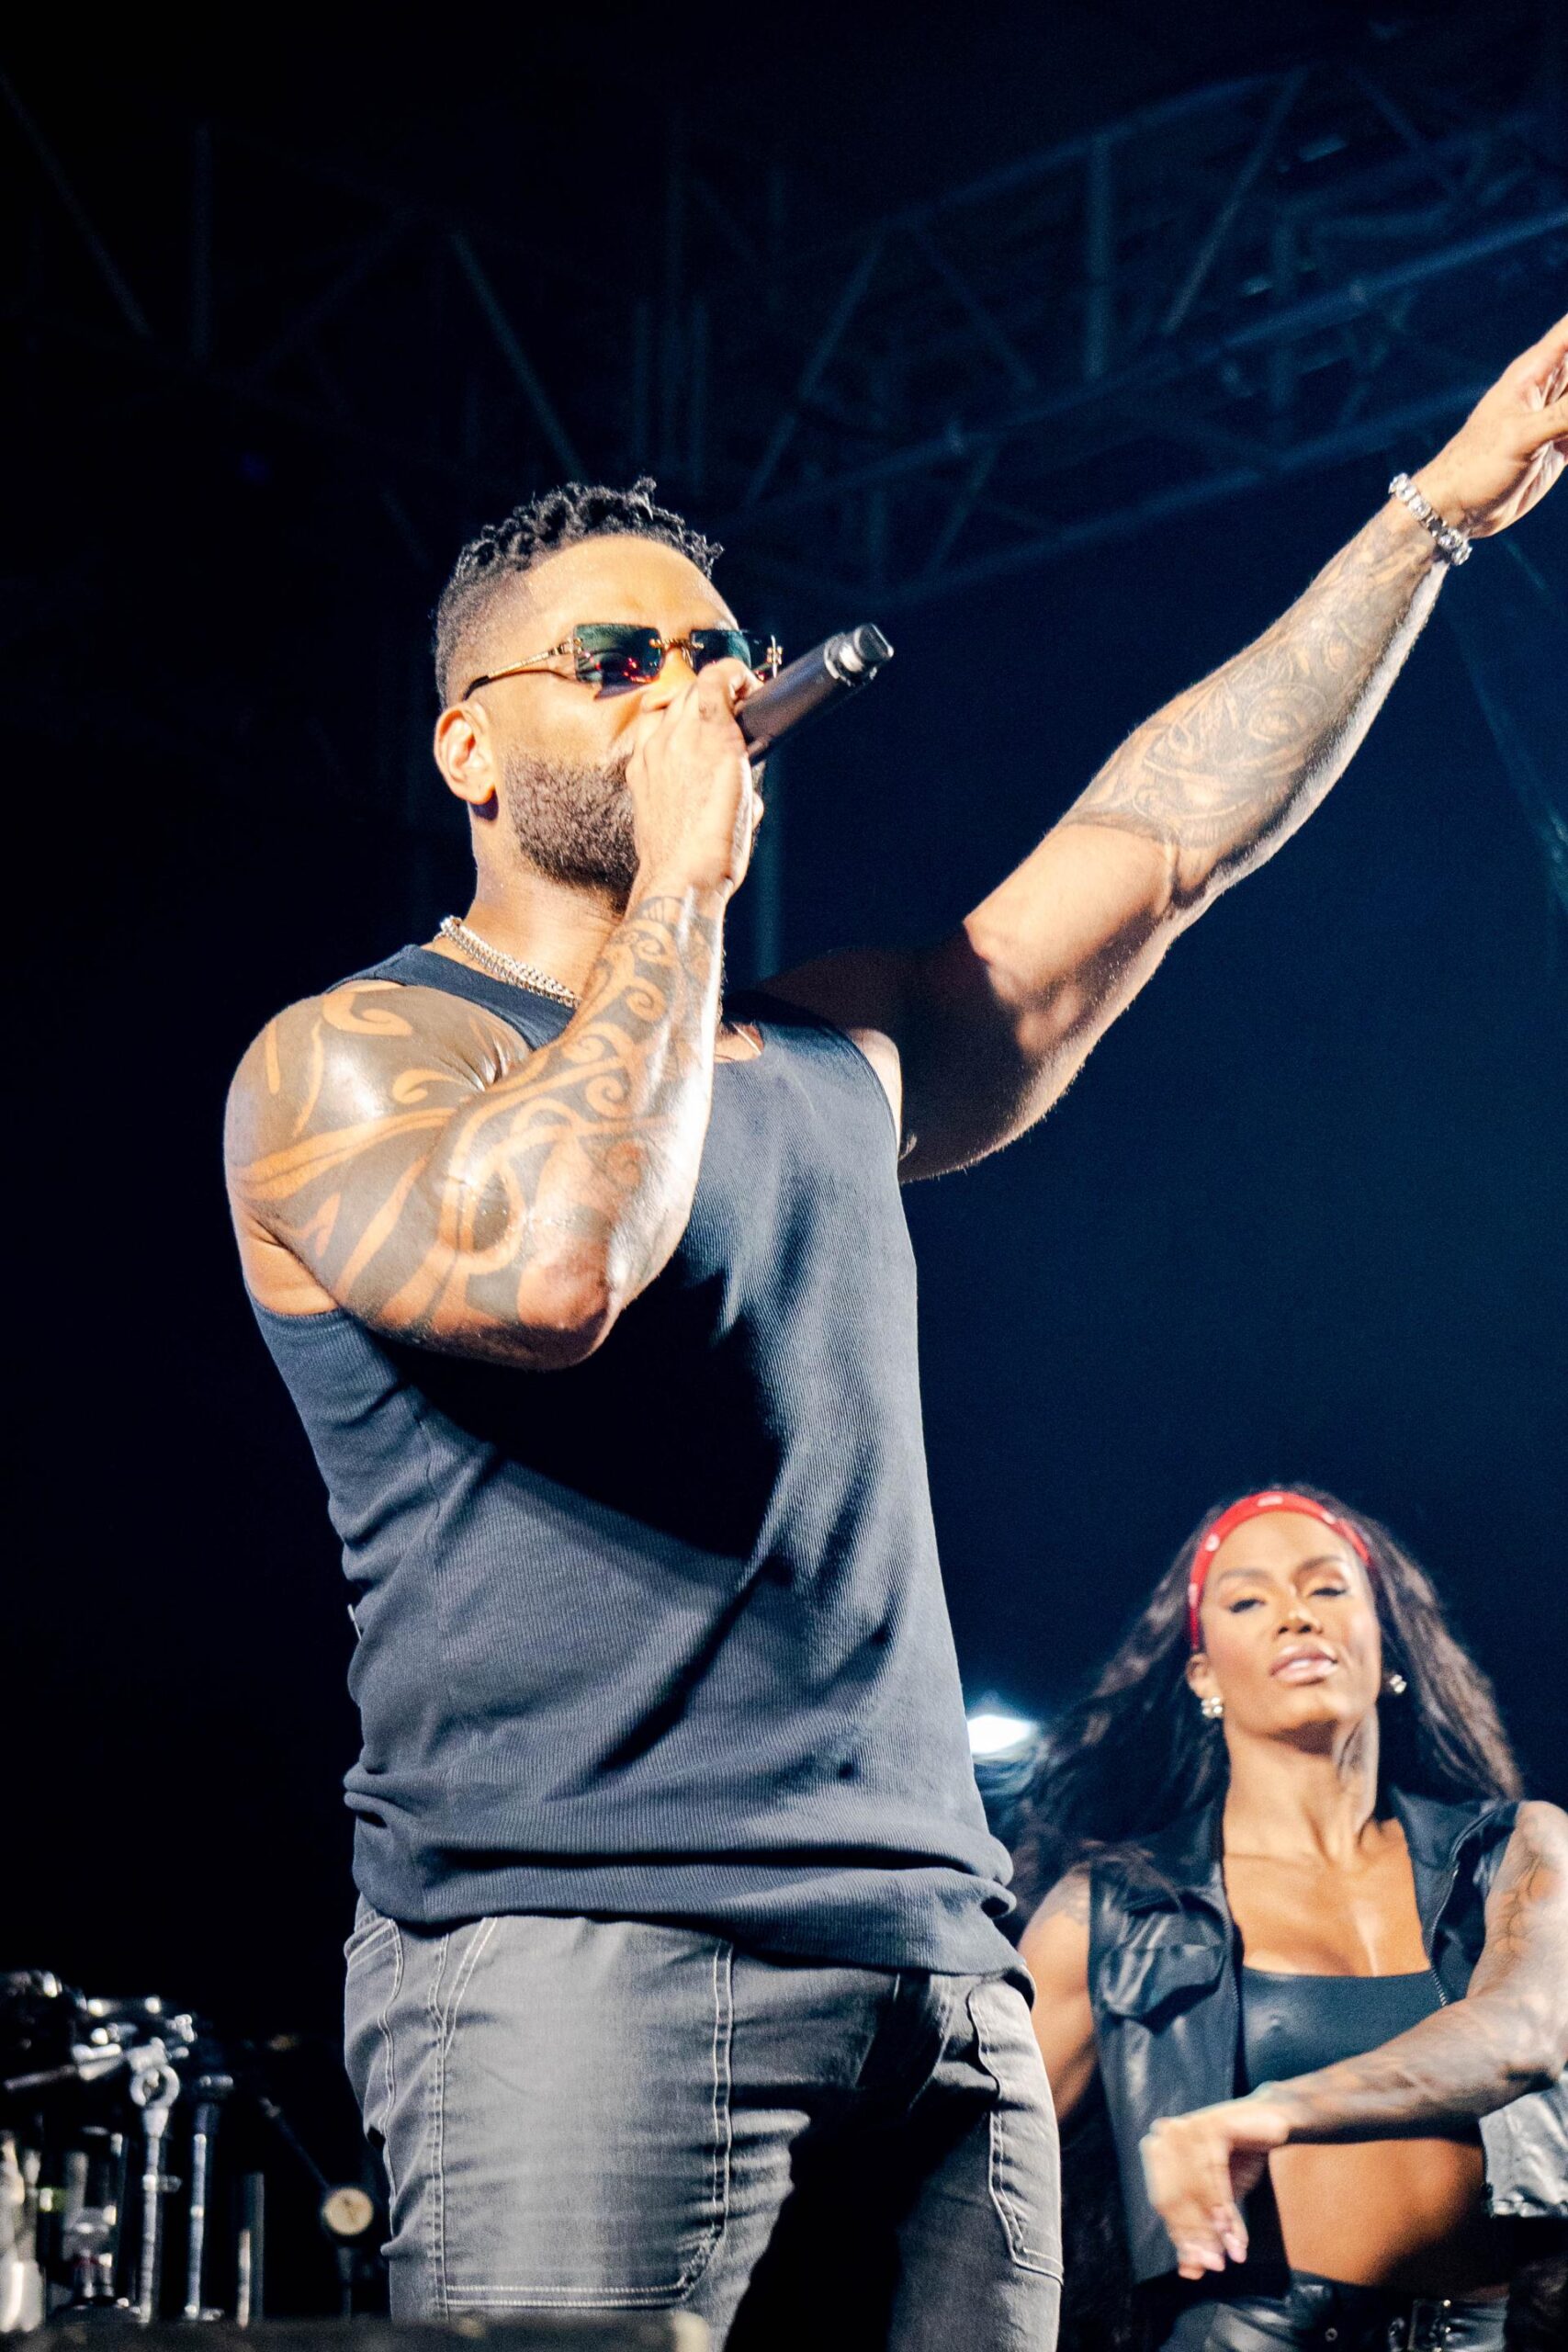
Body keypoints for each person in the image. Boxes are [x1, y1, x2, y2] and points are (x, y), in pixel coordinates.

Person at [223, 318, 1567, 2348]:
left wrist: (1430, 519)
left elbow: (1164, 844)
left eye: (712, 656)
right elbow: (562, 1267)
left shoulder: (833, 1051)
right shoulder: (354, 1059)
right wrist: (682, 887)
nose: (691, 693)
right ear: (469, 749)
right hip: (585, 1953)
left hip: (934, 1967)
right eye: (615, 662)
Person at [1019, 1487, 1568, 2352]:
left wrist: (1275, 2110)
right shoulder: (1109, 1912)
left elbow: (1523, 2031)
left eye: (1327, 1588)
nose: (1294, 1615)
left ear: (1386, 1644)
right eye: (1247, 1601)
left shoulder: (1514, 1851)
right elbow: (974, 2175)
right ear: (1203, 1676)